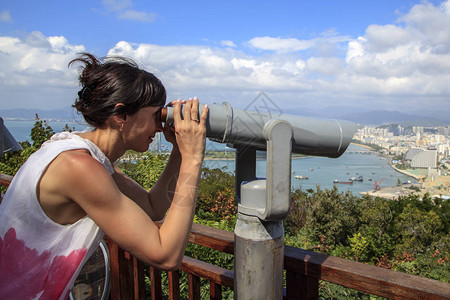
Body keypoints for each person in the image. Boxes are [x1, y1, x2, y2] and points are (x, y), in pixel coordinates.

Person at [0, 53, 208, 299]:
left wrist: (179, 152)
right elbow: (166, 255)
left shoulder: (88, 157)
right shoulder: (79, 168)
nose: (160, 127)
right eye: (156, 116)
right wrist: (193, 158)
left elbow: (152, 208)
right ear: (121, 115)